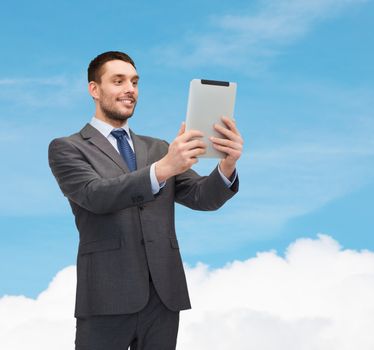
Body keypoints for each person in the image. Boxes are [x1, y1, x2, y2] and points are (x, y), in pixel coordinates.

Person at [48, 51, 242, 350]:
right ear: (94, 89)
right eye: (119, 81)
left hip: (164, 298)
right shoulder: (68, 148)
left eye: (135, 82)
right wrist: (164, 168)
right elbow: (95, 195)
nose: (130, 89)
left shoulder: (159, 148)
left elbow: (203, 197)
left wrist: (226, 165)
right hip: (106, 297)